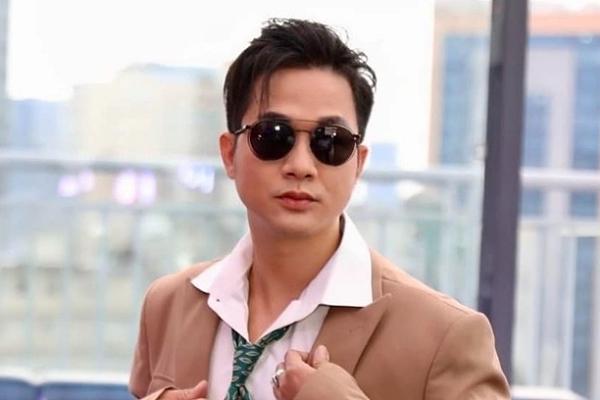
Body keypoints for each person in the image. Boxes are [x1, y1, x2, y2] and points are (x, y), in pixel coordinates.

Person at [129, 18, 510, 400]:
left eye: (331, 141)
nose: (301, 165)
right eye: (273, 136)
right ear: (230, 154)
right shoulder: (168, 305)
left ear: (358, 163)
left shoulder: (444, 336)